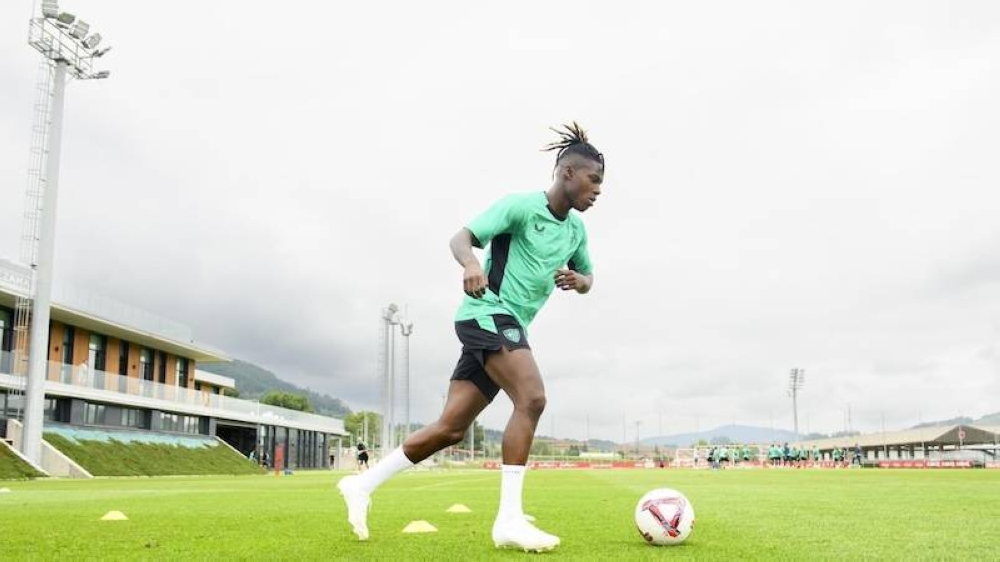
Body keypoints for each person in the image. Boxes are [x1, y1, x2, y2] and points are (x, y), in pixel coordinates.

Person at [336, 123, 605, 552]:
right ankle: (509, 521)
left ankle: (362, 484)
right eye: (594, 180)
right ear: (567, 173)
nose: (598, 191)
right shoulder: (519, 207)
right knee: (532, 399)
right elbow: (461, 238)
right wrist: (469, 264)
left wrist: (579, 279)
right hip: (486, 314)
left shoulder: (575, 232)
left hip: (504, 327)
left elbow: (590, 277)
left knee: (450, 429)